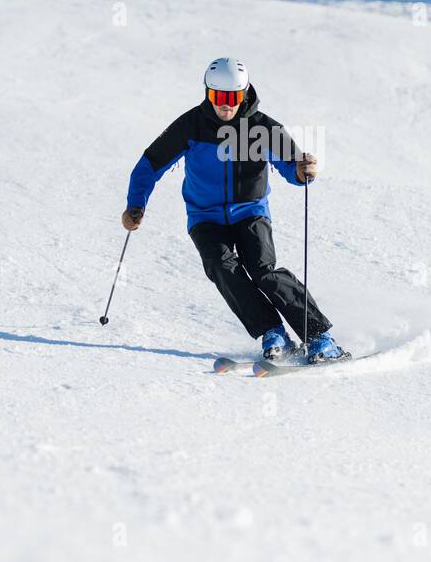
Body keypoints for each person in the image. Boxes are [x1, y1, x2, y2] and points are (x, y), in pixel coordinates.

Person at [122, 58, 345, 362]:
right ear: (208, 94)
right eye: (218, 97)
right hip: (204, 216)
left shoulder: (263, 127)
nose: (225, 106)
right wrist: (135, 204)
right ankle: (272, 332)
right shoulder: (191, 126)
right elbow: (149, 165)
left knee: (263, 271)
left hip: (250, 210)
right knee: (222, 268)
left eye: (232, 98)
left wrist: (303, 171)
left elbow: (292, 166)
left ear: (243, 95)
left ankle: (319, 336)